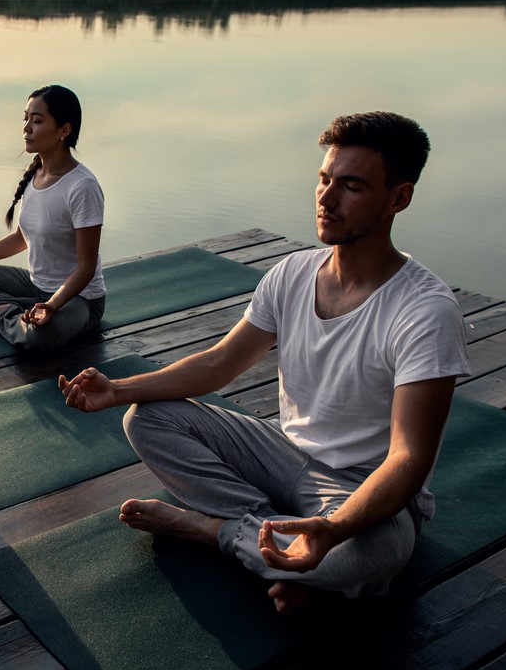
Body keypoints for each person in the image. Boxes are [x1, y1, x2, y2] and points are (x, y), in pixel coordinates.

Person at [59, 111, 471, 613]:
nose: (326, 198)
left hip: (362, 493)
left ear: (398, 198)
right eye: (324, 179)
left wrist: (334, 529)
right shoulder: (292, 274)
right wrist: (120, 389)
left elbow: (408, 459)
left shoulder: (425, 310)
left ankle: (216, 530)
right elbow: (217, 366)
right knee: (147, 418)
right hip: (282, 456)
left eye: (352, 186)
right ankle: (277, 543)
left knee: (362, 557)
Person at [0, 84, 105, 350]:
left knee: (41, 336)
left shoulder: (82, 187)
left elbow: (86, 267)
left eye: (36, 120)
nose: (26, 128)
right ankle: (19, 312)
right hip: (35, 287)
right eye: (25, 119)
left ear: (64, 130)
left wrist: (52, 305)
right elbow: (20, 239)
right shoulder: (36, 175)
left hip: (79, 300)